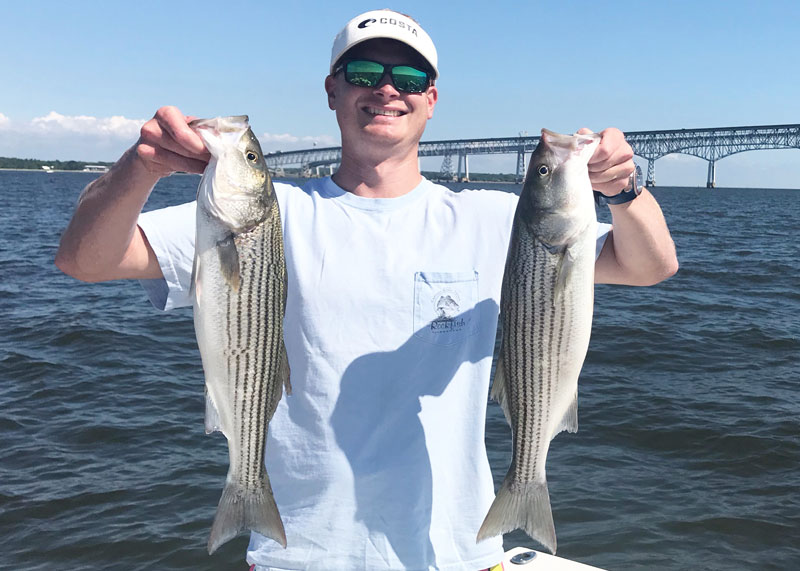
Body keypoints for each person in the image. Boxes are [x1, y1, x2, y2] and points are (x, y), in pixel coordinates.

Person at [55, 9, 678, 571]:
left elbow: (649, 265)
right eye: (364, 71)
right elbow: (86, 260)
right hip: (297, 555)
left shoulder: (494, 219)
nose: (387, 88)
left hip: (457, 553)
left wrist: (624, 190)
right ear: (332, 90)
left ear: (431, 99)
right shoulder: (266, 215)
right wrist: (143, 165)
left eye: (408, 79)